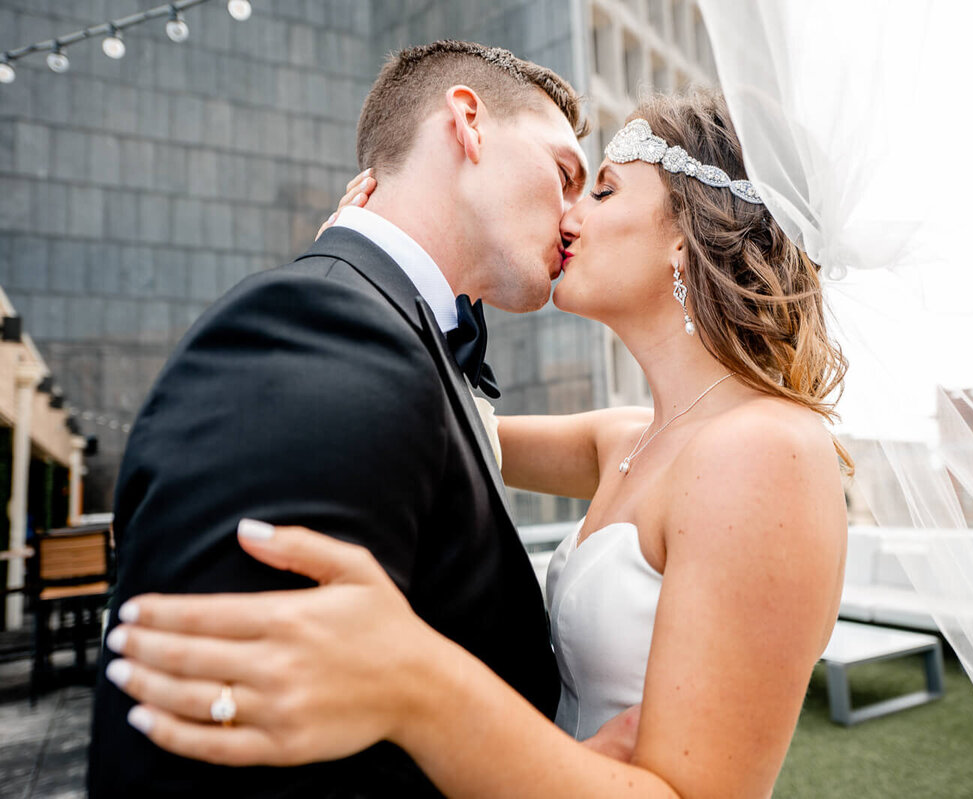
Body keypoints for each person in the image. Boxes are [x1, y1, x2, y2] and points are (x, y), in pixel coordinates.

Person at [100, 88, 850, 797]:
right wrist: (371, 271)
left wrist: (416, 685)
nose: (568, 217)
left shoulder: (768, 449)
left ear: (685, 238)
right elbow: (437, 419)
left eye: (604, 190)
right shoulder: (625, 437)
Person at [86, 40, 632, 797]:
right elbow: (207, 749)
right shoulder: (320, 326)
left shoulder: (391, 335)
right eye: (566, 174)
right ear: (468, 123)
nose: (576, 220)